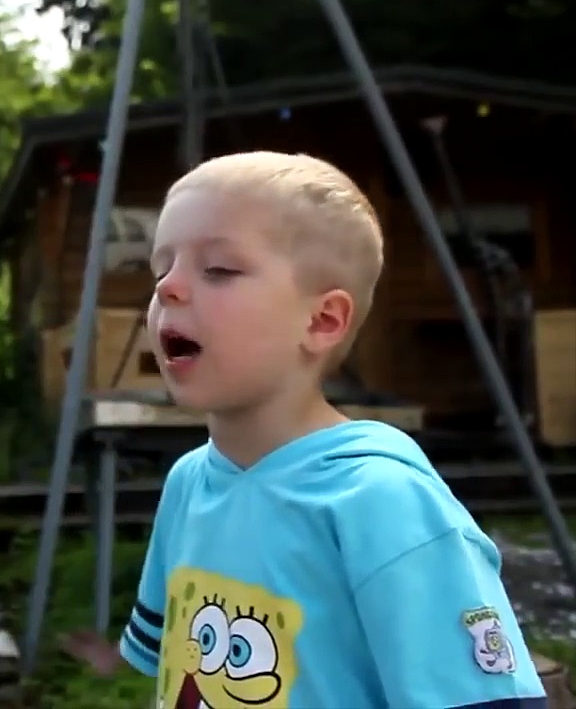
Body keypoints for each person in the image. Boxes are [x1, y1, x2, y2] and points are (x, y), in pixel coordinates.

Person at [63, 151, 546, 708]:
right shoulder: (188, 482)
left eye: (218, 269)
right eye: (161, 269)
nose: (168, 288)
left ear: (321, 321)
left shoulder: (382, 501)